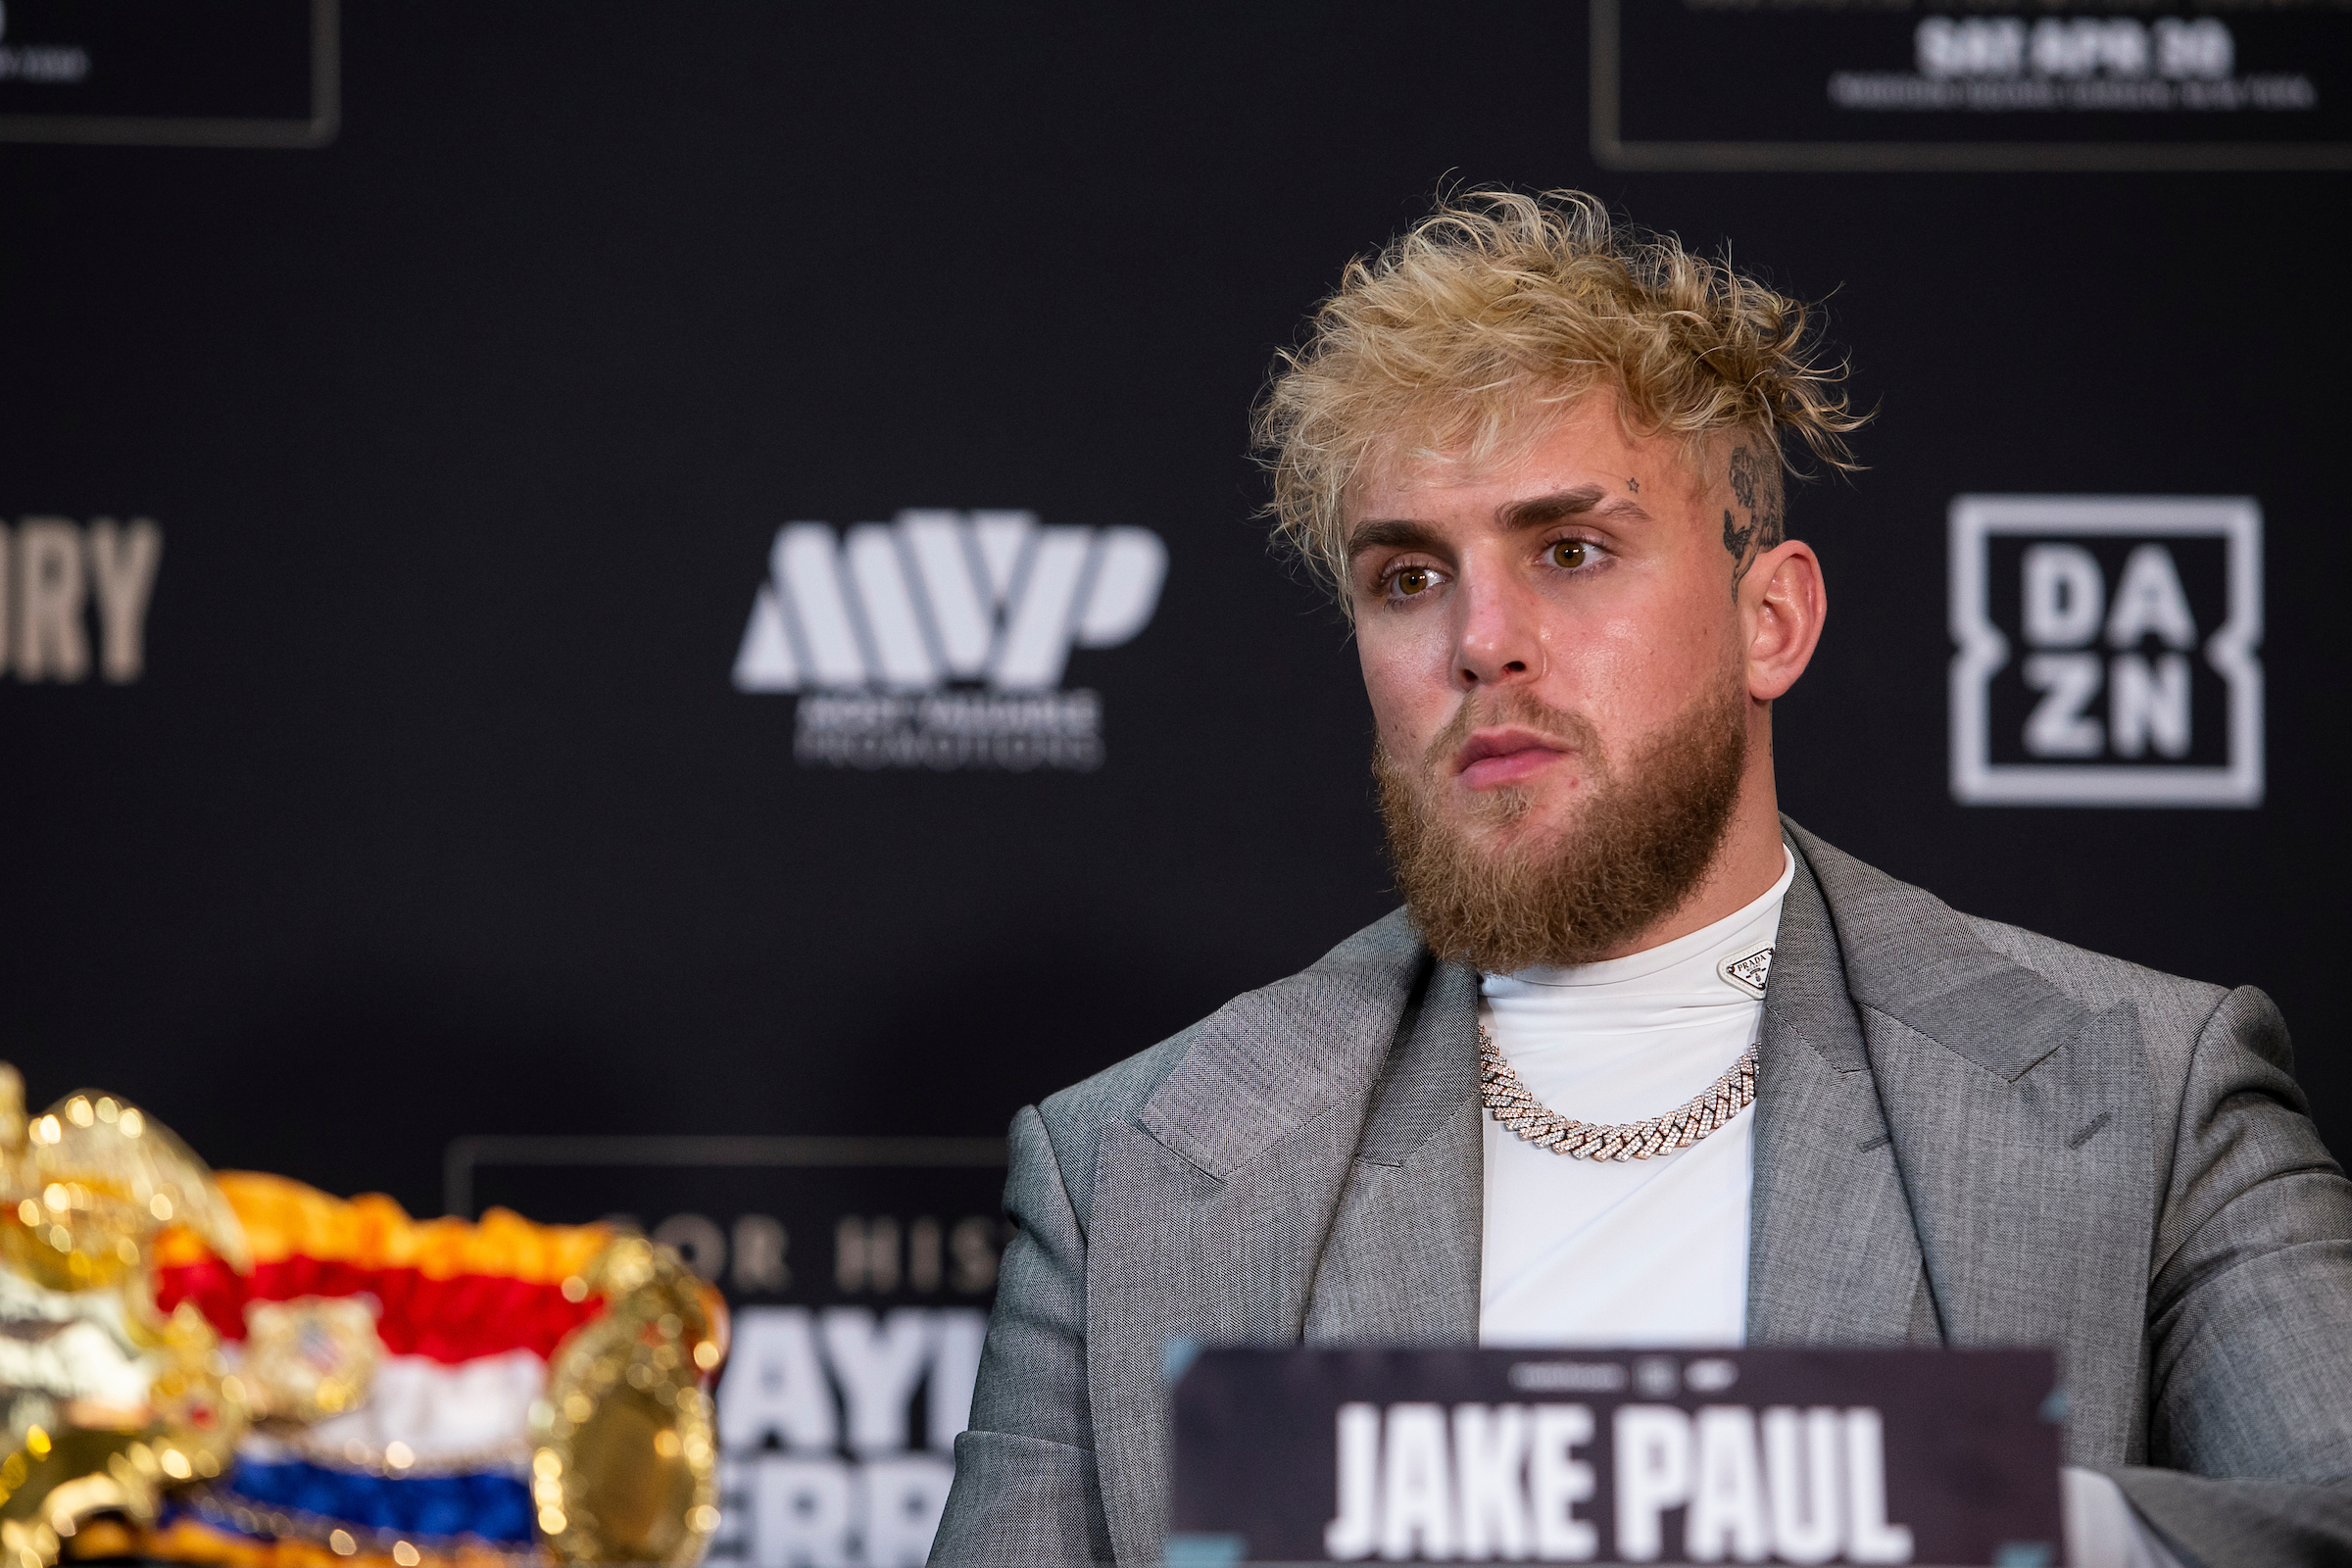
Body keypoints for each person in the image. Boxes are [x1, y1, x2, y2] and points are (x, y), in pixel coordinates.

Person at [927, 191, 2352, 1567]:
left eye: (1571, 550)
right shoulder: (1129, 1170)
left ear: (1769, 620)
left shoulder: (2145, 1094)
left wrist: (1963, 1521)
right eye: (1409, 577)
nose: (1483, 640)